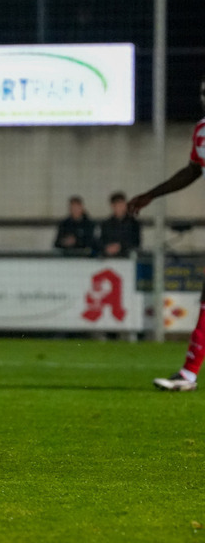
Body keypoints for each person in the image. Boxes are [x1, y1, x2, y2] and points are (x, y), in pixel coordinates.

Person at [128, 74, 205, 392]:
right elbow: (193, 170)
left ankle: (188, 373)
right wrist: (151, 194)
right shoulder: (201, 131)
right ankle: (188, 373)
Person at [97, 192, 141, 258]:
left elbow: (136, 242)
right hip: (109, 258)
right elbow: (100, 241)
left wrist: (120, 247)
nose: (121, 207)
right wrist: (107, 247)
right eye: (118, 205)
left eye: (122, 204)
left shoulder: (134, 224)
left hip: (127, 259)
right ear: (112, 206)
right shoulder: (106, 224)